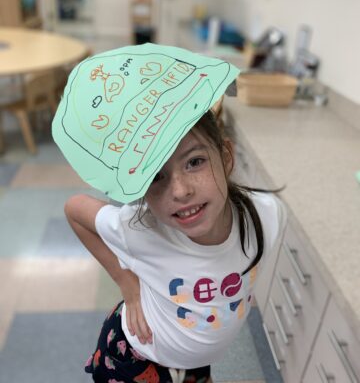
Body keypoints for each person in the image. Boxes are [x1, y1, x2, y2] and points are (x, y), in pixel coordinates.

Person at [64, 108, 285, 383]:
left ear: (226, 157)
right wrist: (127, 284)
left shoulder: (266, 217)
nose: (180, 191)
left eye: (194, 161)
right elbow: (75, 209)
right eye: (156, 176)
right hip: (136, 358)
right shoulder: (139, 230)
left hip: (194, 366)